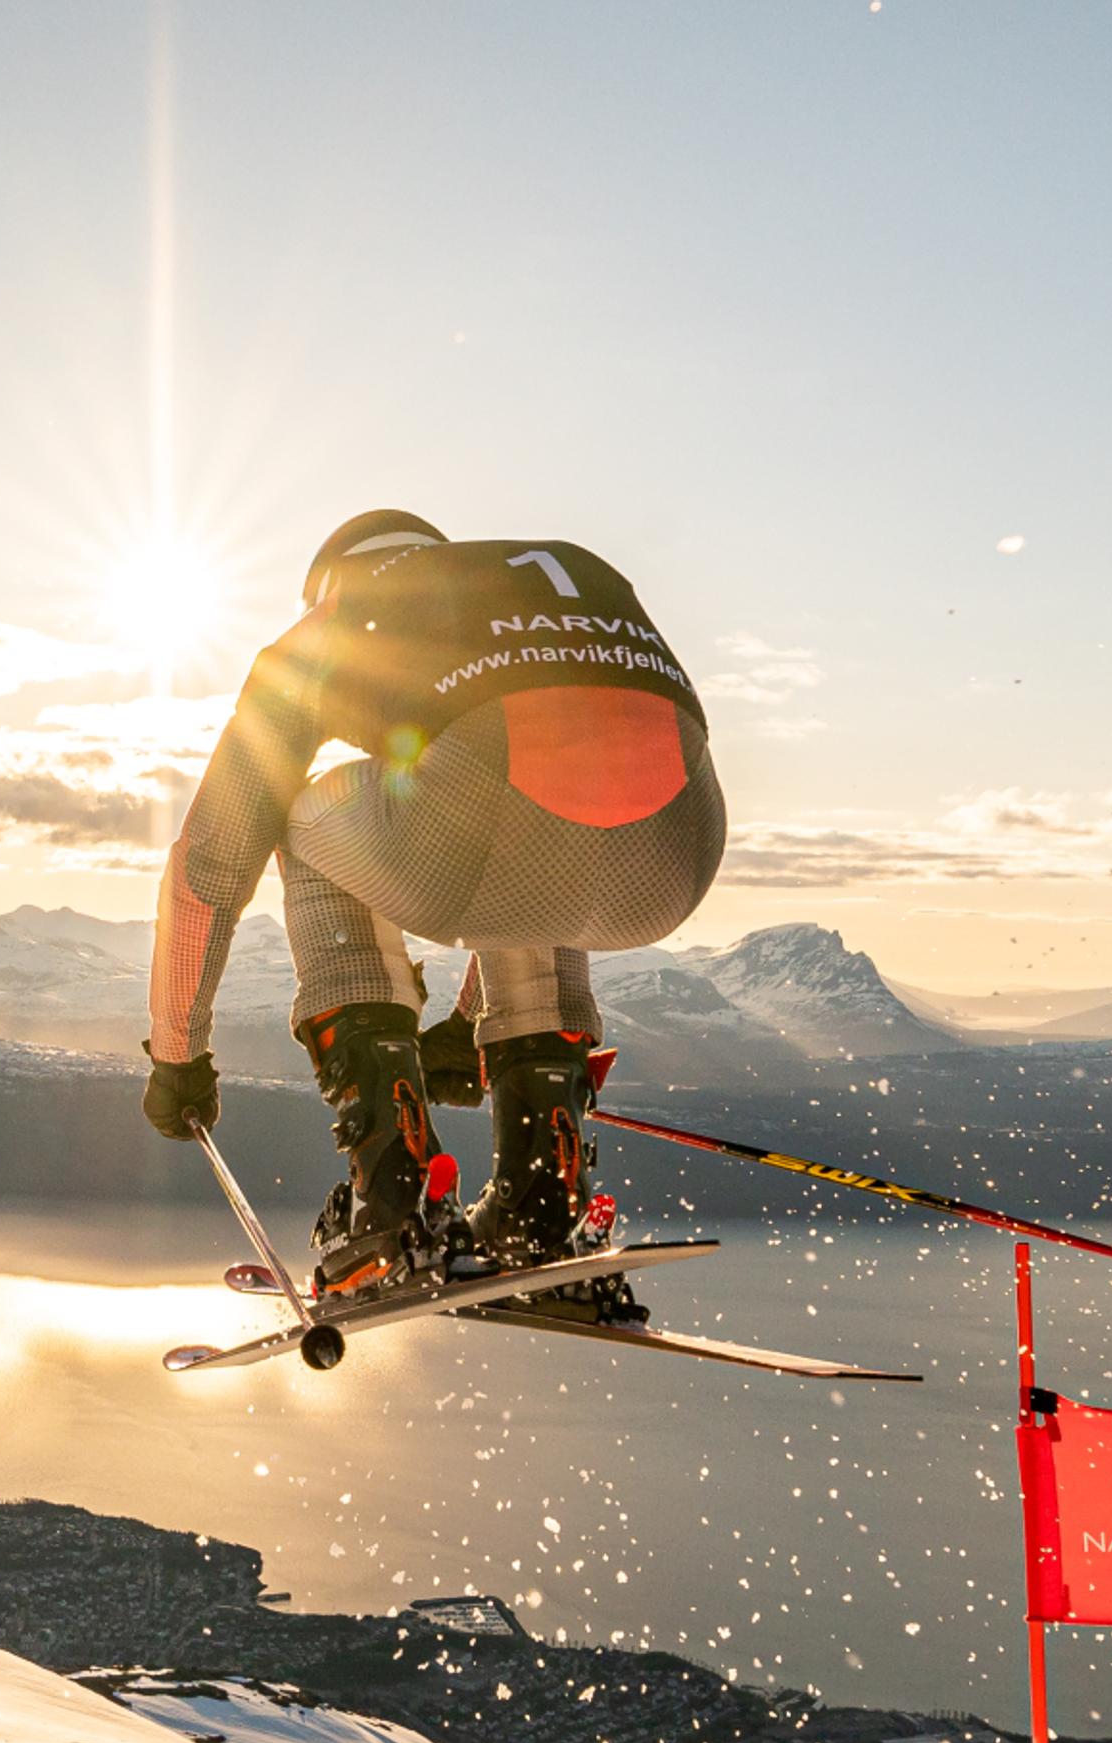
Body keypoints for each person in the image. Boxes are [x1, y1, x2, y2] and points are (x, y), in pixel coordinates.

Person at [138, 510, 726, 1316]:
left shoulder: (338, 620)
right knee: (523, 783)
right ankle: (541, 1202)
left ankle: (395, 1197)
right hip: (679, 854)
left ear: (329, 584)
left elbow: (210, 862)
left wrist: (178, 1056)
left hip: (501, 810)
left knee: (300, 822)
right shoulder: (565, 576)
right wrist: (468, 1023)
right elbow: (558, 814)